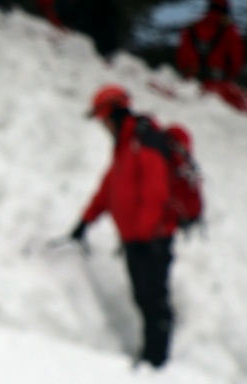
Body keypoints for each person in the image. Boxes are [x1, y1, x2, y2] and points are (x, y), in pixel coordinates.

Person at [69, 85, 178, 369]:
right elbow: (110, 189)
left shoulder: (145, 142)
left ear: (113, 113)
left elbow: (156, 194)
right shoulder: (124, 146)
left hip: (153, 240)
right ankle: (150, 355)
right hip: (136, 241)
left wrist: (143, 235)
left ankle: (157, 362)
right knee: (143, 299)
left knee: (154, 301)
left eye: (102, 119)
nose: (102, 126)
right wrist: (85, 221)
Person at [177, 1, 245, 89]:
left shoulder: (190, 29)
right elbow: (236, 62)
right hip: (218, 86)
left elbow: (181, 58)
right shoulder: (230, 32)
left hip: (190, 85)